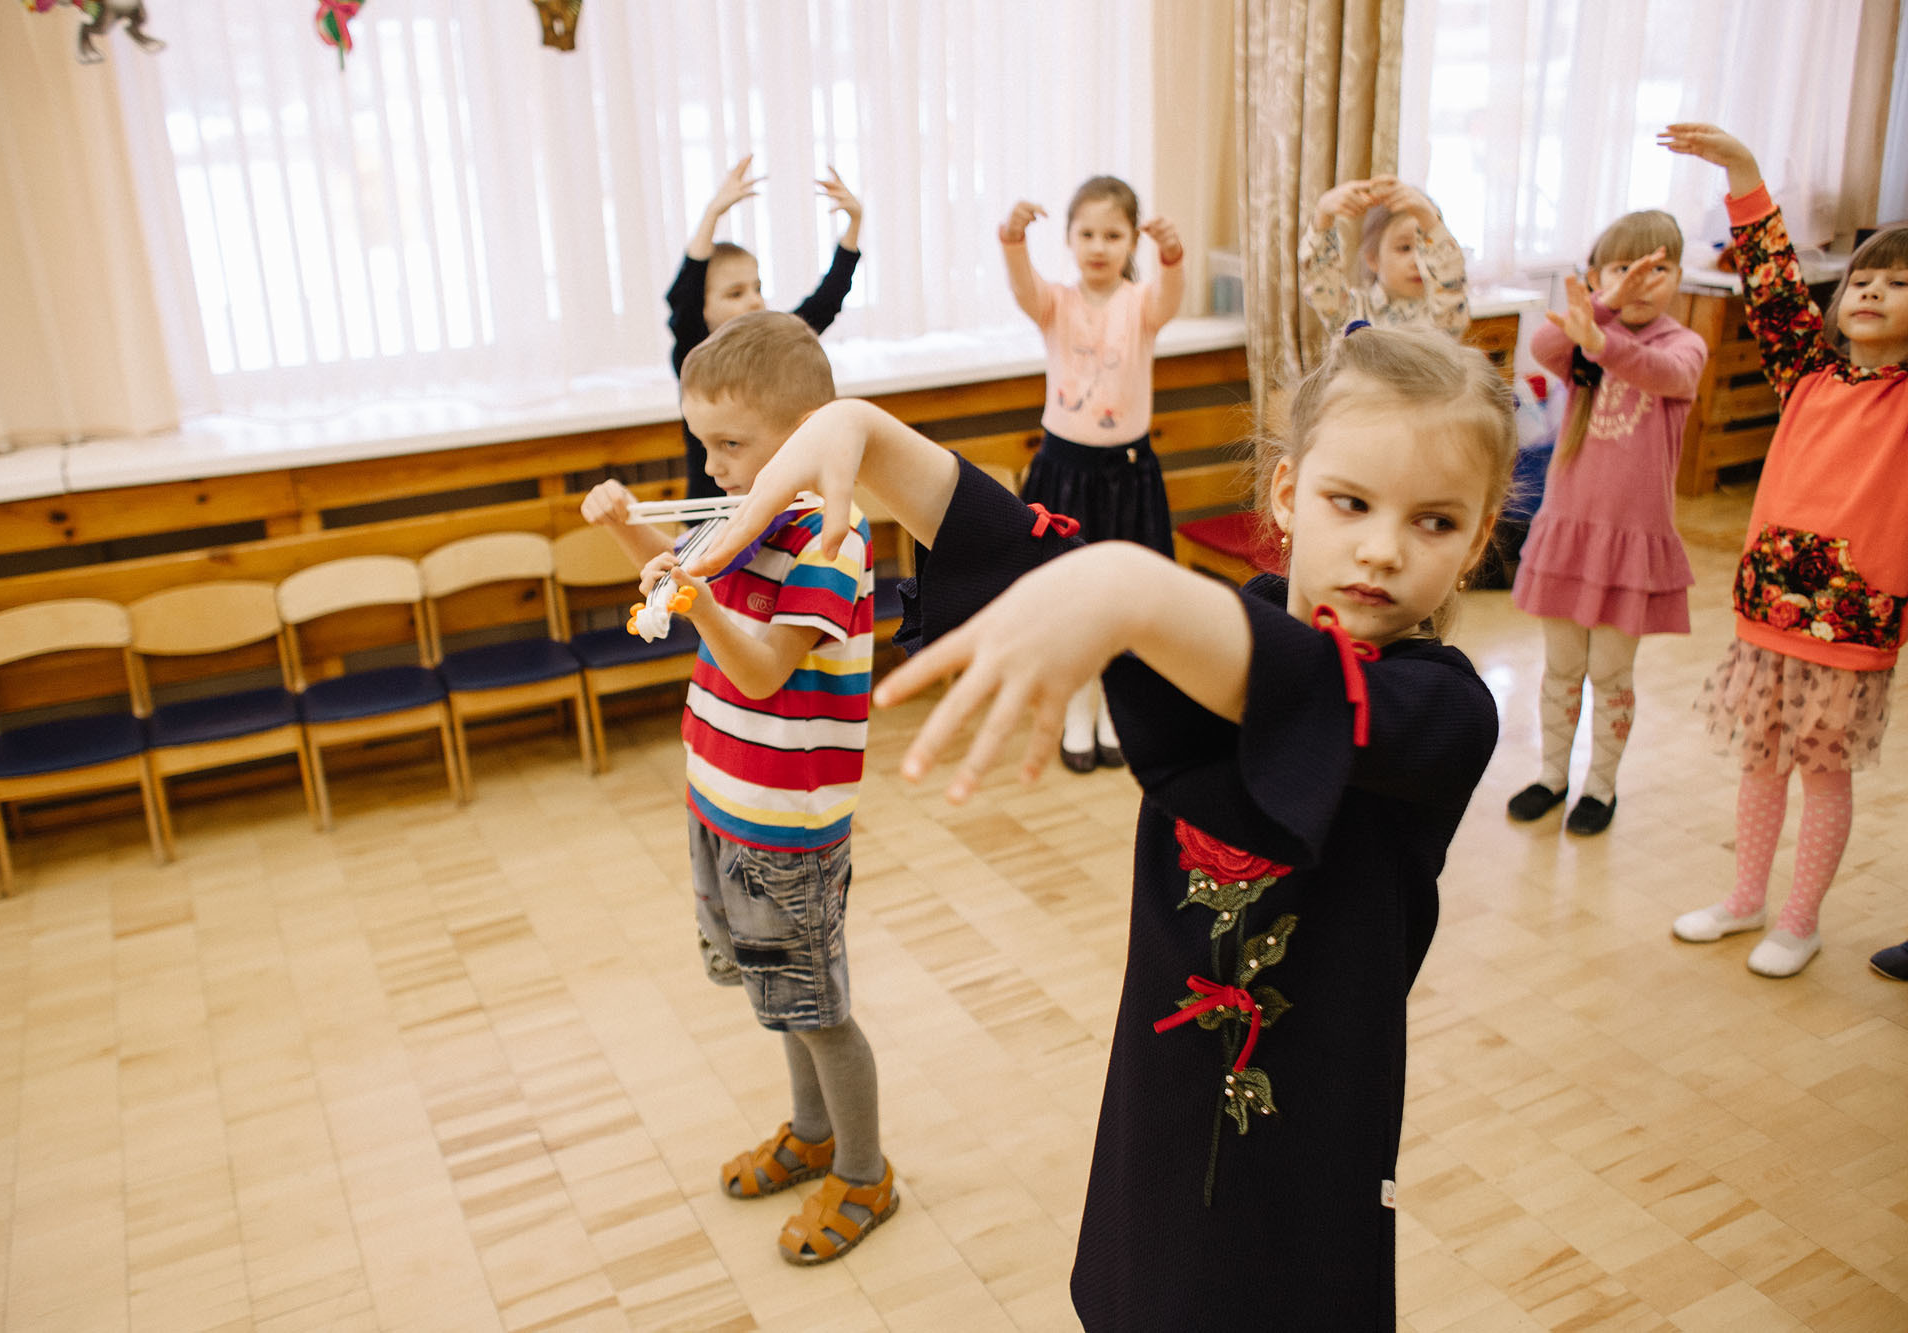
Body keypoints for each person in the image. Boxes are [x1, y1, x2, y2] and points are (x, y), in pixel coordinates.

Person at [688, 325, 1517, 1328]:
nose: (1382, 548)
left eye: (1432, 522)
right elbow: (1040, 554)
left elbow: (1297, 686)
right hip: (1157, 1129)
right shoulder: (1206, 632)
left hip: (1306, 1174)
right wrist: (866, 432)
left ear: (1476, 542)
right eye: (1351, 503)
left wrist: (1128, 586)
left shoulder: (1445, 713)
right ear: (1289, 496)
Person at [580, 311, 894, 1263]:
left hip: (787, 824)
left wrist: (702, 598)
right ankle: (812, 1135)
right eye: (702, 443)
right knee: (776, 996)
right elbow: (682, 581)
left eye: (730, 444)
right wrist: (635, 531)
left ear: (807, 436)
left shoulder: (830, 541)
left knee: (819, 1008)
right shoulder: (740, 514)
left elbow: (760, 668)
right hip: (722, 801)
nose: (713, 467)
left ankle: (866, 1171)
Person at [1660, 123, 1908, 978]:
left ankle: (1799, 920)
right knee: (1762, 761)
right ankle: (1745, 899)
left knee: (1823, 772)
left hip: (1853, 622)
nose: (1872, 292)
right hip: (1768, 610)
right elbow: (1771, 285)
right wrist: (1745, 176)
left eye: (1898, 283)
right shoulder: (1808, 371)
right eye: (1864, 279)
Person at [1505, 212, 1706, 835]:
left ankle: (1601, 786)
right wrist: (1603, 311)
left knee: (1611, 673)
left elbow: (1662, 374)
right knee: (1562, 668)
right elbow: (1544, 349)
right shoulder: (1587, 334)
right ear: (1597, 276)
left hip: (1631, 548)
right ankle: (1552, 775)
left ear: (1678, 276)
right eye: (1625, 268)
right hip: (1568, 534)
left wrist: (1602, 336)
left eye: (1658, 269)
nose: (1642, 281)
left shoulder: (1682, 344)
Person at [999, 176, 1185, 771]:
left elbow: (1169, 298)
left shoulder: (1141, 304)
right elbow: (1024, 288)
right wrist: (1012, 240)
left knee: (1127, 599)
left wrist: (1173, 255)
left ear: (1133, 238)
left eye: (1113, 233)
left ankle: (1114, 704)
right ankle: (1075, 704)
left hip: (1129, 475)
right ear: (1070, 239)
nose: (1099, 245)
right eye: (1087, 233)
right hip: (1065, 474)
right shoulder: (1057, 302)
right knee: (1071, 599)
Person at [666, 155, 863, 500]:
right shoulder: (693, 351)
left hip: (773, 507)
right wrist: (712, 214)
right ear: (704, 306)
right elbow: (683, 300)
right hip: (711, 511)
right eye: (735, 293)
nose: (755, 301)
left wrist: (855, 223)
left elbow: (826, 301)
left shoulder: (776, 346)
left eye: (757, 288)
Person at [1299, 176, 1470, 337]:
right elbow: (1318, 279)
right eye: (1404, 248)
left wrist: (1426, 215)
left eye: (1426, 250)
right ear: (1373, 259)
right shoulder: (1353, 313)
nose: (1418, 261)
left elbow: (1451, 276)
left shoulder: (1446, 312)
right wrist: (1323, 213)